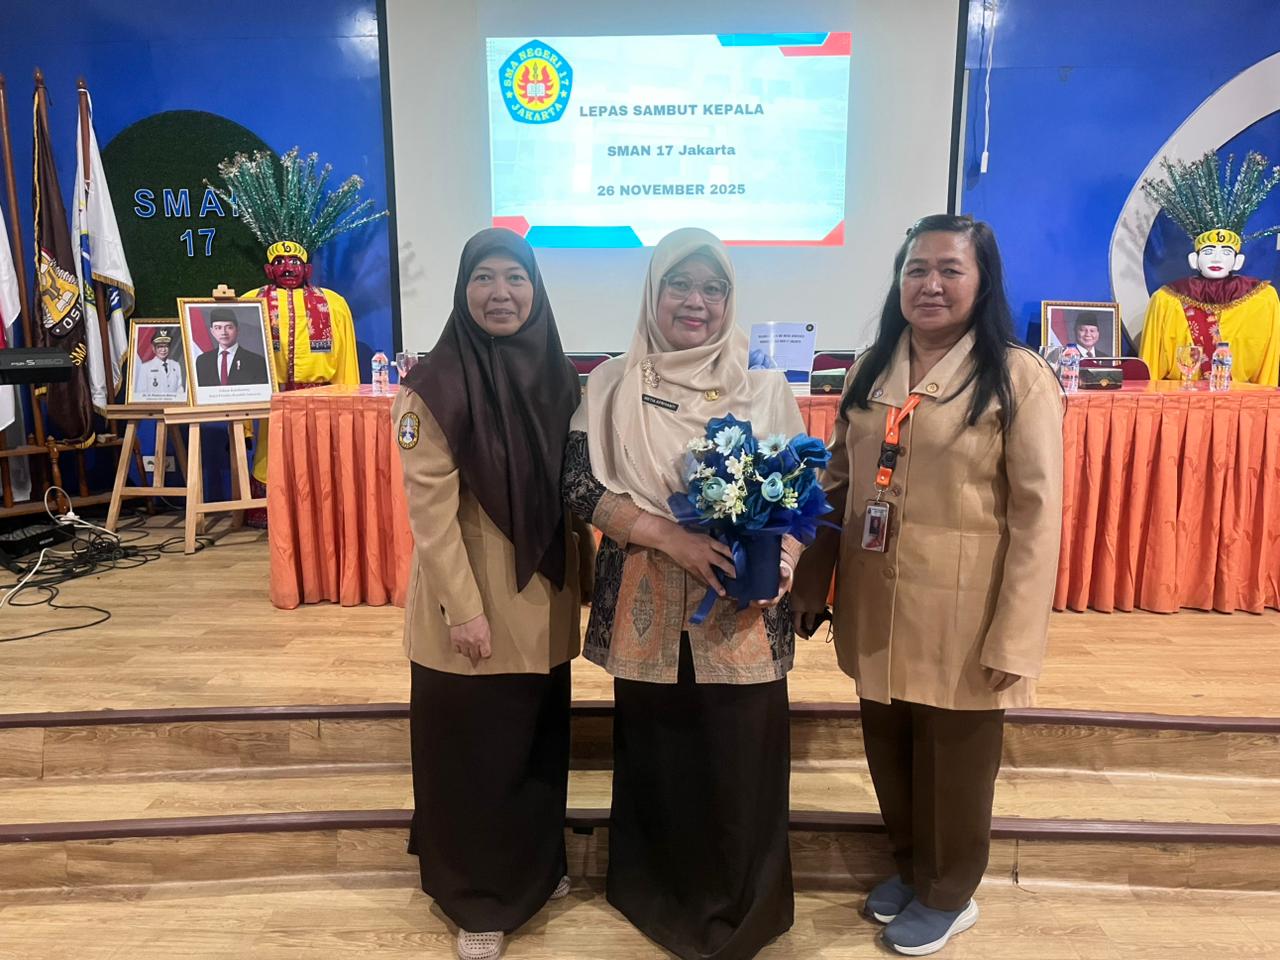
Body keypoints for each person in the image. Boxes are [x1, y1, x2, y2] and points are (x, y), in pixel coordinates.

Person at [792, 215, 1063, 956]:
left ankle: (950, 892)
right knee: (890, 746)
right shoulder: (871, 369)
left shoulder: (1016, 375)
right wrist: (812, 583)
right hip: (876, 598)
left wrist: (1017, 634)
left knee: (955, 759)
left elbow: (1038, 515)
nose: (930, 285)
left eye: (950, 270)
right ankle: (913, 868)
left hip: (965, 610)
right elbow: (839, 485)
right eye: (917, 269)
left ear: (983, 282)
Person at [563, 227, 804, 960]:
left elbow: (799, 494)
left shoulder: (763, 386)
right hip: (649, 604)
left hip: (743, 613)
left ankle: (745, 912)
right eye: (679, 284)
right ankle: (657, 900)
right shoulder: (610, 384)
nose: (696, 302)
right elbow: (579, 487)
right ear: (654, 292)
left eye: (712, 289)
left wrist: (784, 559)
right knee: (660, 757)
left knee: (741, 759)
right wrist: (672, 538)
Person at [393, 228, 582, 960]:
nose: (500, 293)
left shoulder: (557, 375)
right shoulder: (434, 386)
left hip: (542, 603)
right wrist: (464, 610)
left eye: (516, 278)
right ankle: (476, 898)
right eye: (484, 278)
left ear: (536, 291)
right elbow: (432, 518)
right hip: (474, 606)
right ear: (462, 289)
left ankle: (535, 870)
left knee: (534, 745)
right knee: (474, 756)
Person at [1139, 151, 1280, 384]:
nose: (1216, 259)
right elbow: (1150, 371)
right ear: (1194, 260)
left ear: (1237, 261)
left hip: (1242, 399)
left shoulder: (1263, 301)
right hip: (1181, 397)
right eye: (1208, 252)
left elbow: (1268, 373)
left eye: (1226, 253)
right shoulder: (1166, 300)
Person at [193, 307, 269, 387]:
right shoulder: (202, 361)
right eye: (218, 328)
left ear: (237, 329)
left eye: (229, 327)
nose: (223, 332)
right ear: (212, 331)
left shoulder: (256, 361)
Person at [133, 328, 185, 401]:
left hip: (173, 405)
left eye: (166, 346)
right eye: (160, 347)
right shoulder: (145, 367)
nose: (163, 350)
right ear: (154, 349)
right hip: (153, 405)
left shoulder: (176, 365)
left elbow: (180, 390)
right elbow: (140, 394)